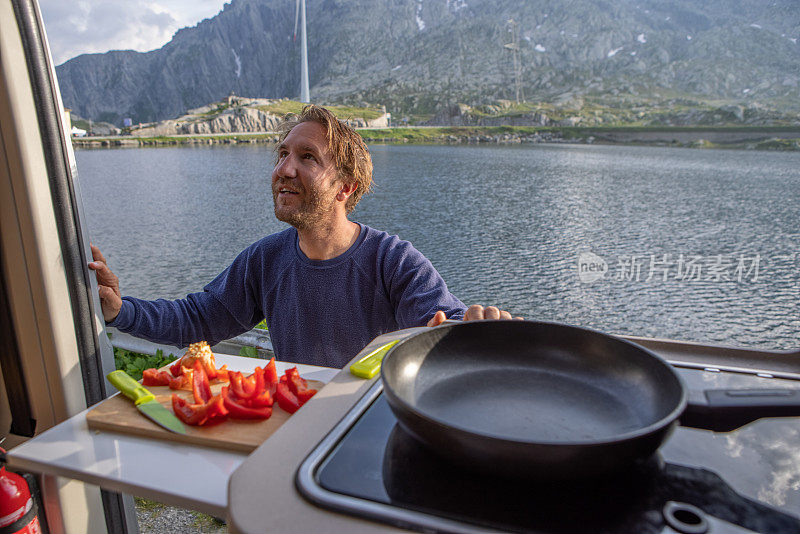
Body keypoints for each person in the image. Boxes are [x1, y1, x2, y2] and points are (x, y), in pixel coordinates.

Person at [89, 105, 517, 368]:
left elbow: (441, 324)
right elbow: (196, 319)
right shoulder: (265, 261)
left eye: (307, 157)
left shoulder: (393, 261)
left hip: (369, 428)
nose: (283, 169)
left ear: (345, 187)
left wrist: (474, 333)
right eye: (282, 155)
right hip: (295, 421)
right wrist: (119, 311)